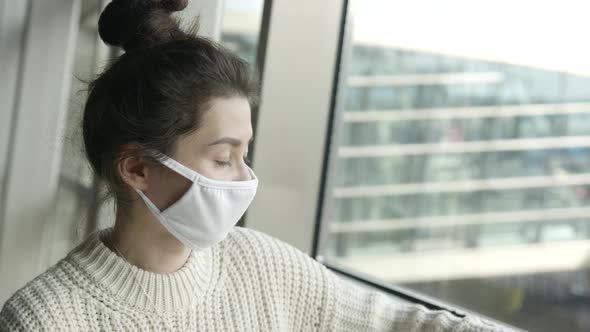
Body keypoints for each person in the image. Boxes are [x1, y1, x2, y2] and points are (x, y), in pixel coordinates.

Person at [0, 1, 507, 331]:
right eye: (222, 158)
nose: (244, 179)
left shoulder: (260, 266)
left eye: (245, 154)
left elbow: (403, 324)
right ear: (136, 168)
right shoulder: (45, 318)